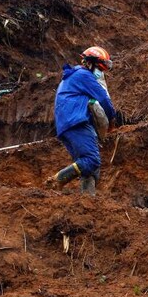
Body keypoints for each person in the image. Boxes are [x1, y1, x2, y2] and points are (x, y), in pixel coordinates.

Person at [45, 46, 120, 196]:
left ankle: (87, 200)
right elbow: (103, 98)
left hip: (66, 125)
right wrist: (112, 120)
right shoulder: (84, 75)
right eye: (100, 69)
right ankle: (56, 180)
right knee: (92, 160)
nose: (101, 73)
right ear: (91, 64)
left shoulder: (71, 77)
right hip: (76, 122)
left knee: (89, 166)